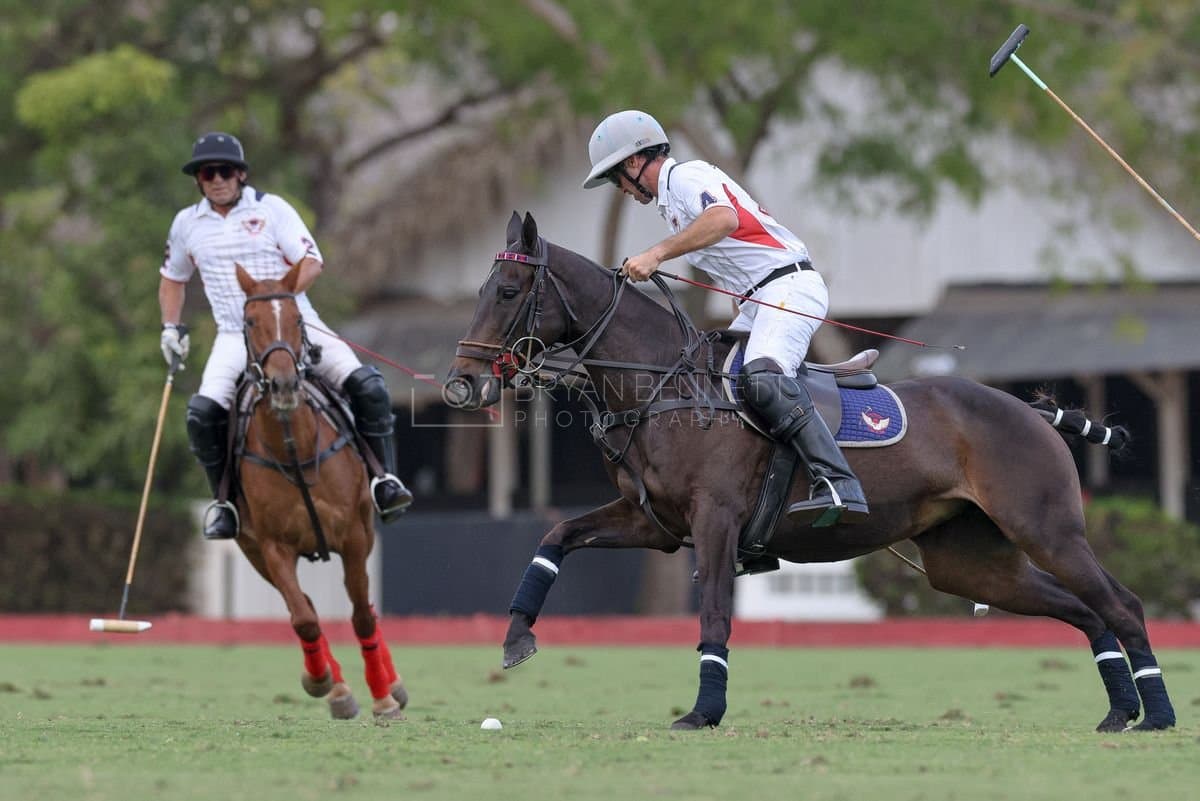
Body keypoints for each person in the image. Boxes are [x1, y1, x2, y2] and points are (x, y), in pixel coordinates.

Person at [582, 110, 867, 527]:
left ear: (635, 161)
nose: (620, 189)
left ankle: (839, 481)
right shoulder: (671, 204)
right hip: (759, 300)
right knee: (714, 386)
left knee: (762, 378)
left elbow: (725, 219)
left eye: (615, 178)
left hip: (789, 287)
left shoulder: (686, 177)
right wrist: (742, 304)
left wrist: (657, 253)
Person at [159, 132, 412, 540]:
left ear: (241, 174)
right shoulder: (186, 224)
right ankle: (224, 503)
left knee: (369, 386)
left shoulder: (272, 209)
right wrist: (170, 328)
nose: (217, 179)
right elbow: (173, 278)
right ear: (198, 180)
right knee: (202, 414)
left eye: (225, 171)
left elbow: (311, 262)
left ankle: (383, 481)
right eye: (207, 173)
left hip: (295, 323)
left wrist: (277, 300)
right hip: (233, 335)